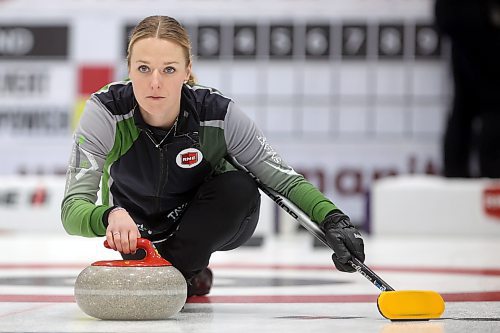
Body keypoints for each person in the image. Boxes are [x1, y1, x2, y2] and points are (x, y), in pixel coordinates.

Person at [61, 15, 365, 298]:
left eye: (168, 69)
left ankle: (180, 268)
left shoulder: (217, 113)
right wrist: (109, 215)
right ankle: (184, 272)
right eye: (143, 69)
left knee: (240, 187)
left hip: (205, 222)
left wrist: (334, 219)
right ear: (129, 69)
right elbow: (72, 209)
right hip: (136, 234)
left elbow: (281, 178)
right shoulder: (105, 112)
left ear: (187, 70)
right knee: (164, 261)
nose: (155, 82)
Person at [435, 0, 500, 177]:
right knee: (492, 104)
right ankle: (491, 173)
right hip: (474, 26)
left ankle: (457, 172)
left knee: (464, 105)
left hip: (463, 24)